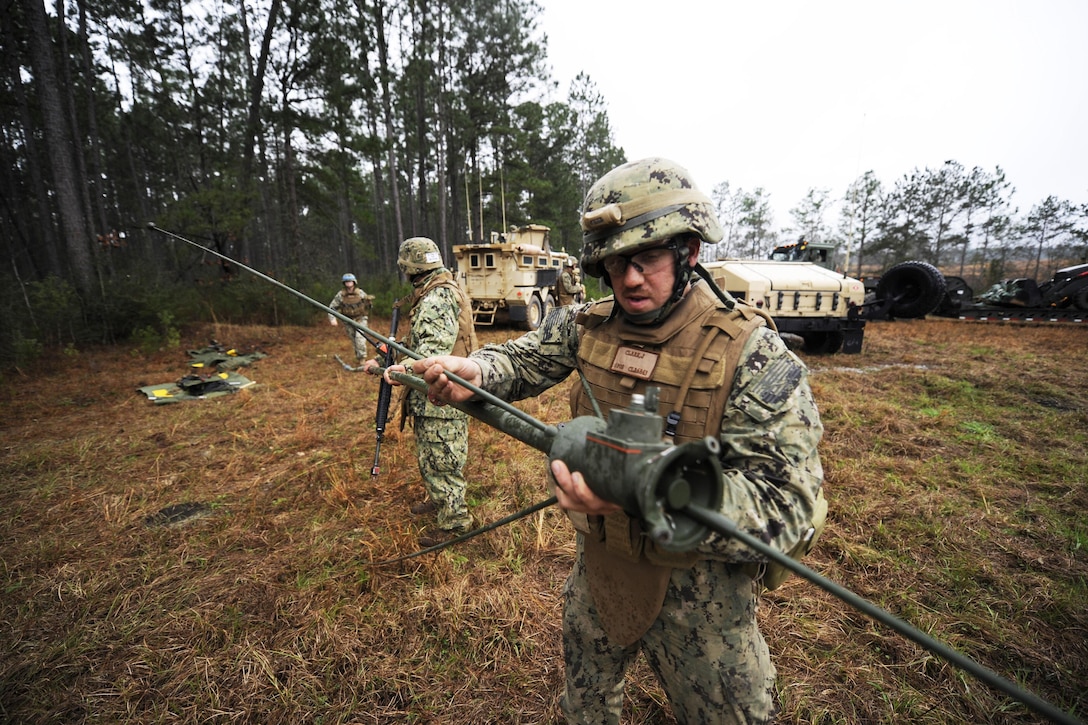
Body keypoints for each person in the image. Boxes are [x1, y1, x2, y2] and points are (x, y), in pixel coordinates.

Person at [412, 158, 825, 724]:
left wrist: (652, 487)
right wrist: (477, 369)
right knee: (585, 704)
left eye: (648, 258)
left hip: (700, 599)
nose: (630, 278)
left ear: (690, 251)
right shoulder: (588, 324)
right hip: (600, 568)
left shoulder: (751, 353)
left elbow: (790, 509)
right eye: (615, 262)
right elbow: (522, 357)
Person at [364, 237, 478, 547]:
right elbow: (420, 340)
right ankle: (439, 500)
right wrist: (390, 353)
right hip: (434, 394)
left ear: (409, 268)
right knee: (431, 454)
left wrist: (401, 370)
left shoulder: (437, 297)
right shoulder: (434, 292)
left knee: (443, 458)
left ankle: (455, 523)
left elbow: (431, 352)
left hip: (442, 395)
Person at [328, 273, 374, 362]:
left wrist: (369, 302)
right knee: (353, 339)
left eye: (350, 281)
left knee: (360, 338)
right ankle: (358, 356)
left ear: (354, 282)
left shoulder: (360, 293)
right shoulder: (340, 295)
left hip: (360, 319)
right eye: (346, 282)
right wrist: (332, 319)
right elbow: (332, 307)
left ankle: (362, 358)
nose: (348, 284)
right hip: (348, 320)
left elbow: (369, 306)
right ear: (344, 283)